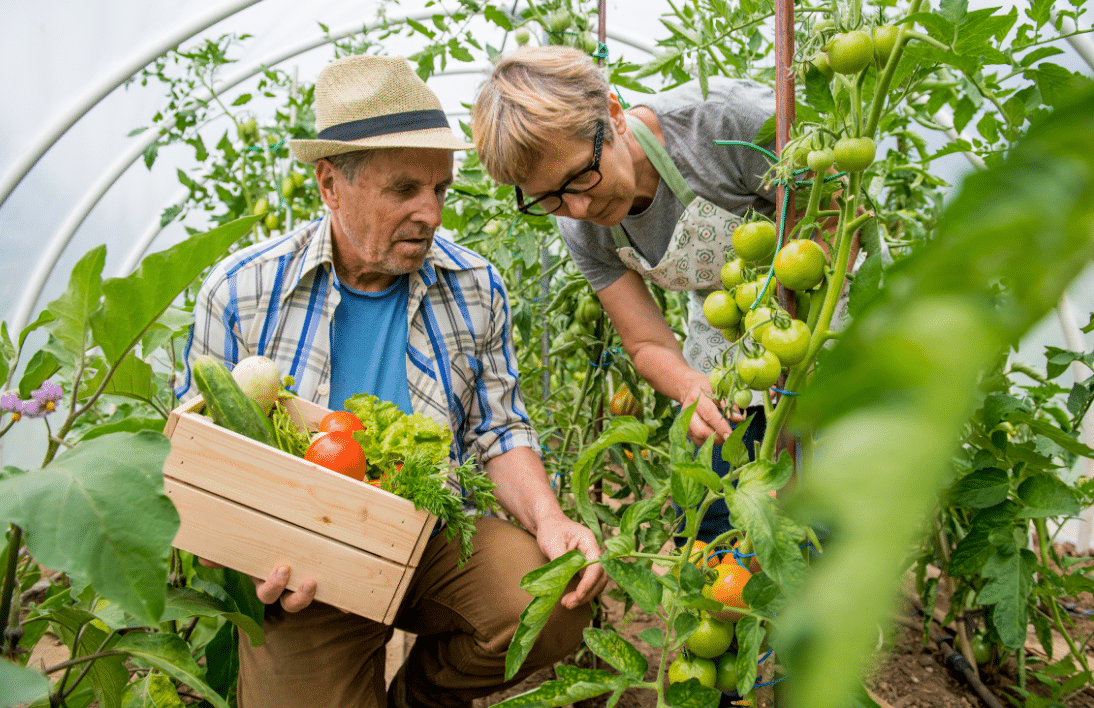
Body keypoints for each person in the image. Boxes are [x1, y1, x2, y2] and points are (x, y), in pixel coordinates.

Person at [177, 54, 606, 708]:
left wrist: (550, 519)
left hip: (431, 534)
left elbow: (498, 426)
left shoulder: (472, 284)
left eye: (441, 189)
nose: (430, 213)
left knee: (548, 602)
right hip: (304, 564)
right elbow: (204, 463)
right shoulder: (240, 293)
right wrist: (243, 553)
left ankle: (422, 699)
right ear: (329, 184)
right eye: (405, 189)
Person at [472, 46, 840, 543]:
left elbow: (832, 214)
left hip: (824, 310)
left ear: (615, 116)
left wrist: (791, 330)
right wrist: (689, 385)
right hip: (729, 339)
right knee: (718, 524)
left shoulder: (724, 123)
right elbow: (647, 343)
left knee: (824, 517)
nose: (578, 206)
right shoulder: (580, 225)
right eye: (550, 196)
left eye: (582, 175)